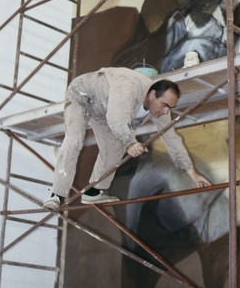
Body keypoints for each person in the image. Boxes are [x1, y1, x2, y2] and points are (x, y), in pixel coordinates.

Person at [43, 67, 211, 210]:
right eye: (165, 105)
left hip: (104, 110)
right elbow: (116, 118)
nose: (166, 111)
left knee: (115, 146)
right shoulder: (128, 86)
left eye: (170, 108)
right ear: (152, 95)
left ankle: (93, 192)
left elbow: (172, 139)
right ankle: (57, 195)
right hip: (82, 94)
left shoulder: (160, 110)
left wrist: (191, 172)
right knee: (75, 140)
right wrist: (131, 142)